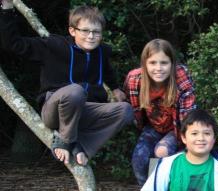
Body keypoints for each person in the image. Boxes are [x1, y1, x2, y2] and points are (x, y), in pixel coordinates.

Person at [0, 2, 132, 165]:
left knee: (125, 111)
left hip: (82, 113)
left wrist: (115, 88)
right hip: (54, 110)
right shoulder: (54, 45)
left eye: (96, 32)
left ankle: (83, 147)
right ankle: (65, 140)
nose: (91, 36)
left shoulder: (101, 51)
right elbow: (14, 44)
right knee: (75, 91)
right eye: (85, 31)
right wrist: (7, 9)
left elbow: (107, 70)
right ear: (72, 30)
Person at [124, 39, 197, 185]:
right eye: (152, 63)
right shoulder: (134, 79)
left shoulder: (181, 78)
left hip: (176, 128)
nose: (158, 68)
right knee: (139, 159)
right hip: (152, 127)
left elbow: (187, 117)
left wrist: (187, 143)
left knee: (161, 151)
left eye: (164, 63)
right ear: (145, 63)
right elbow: (132, 106)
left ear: (172, 64)